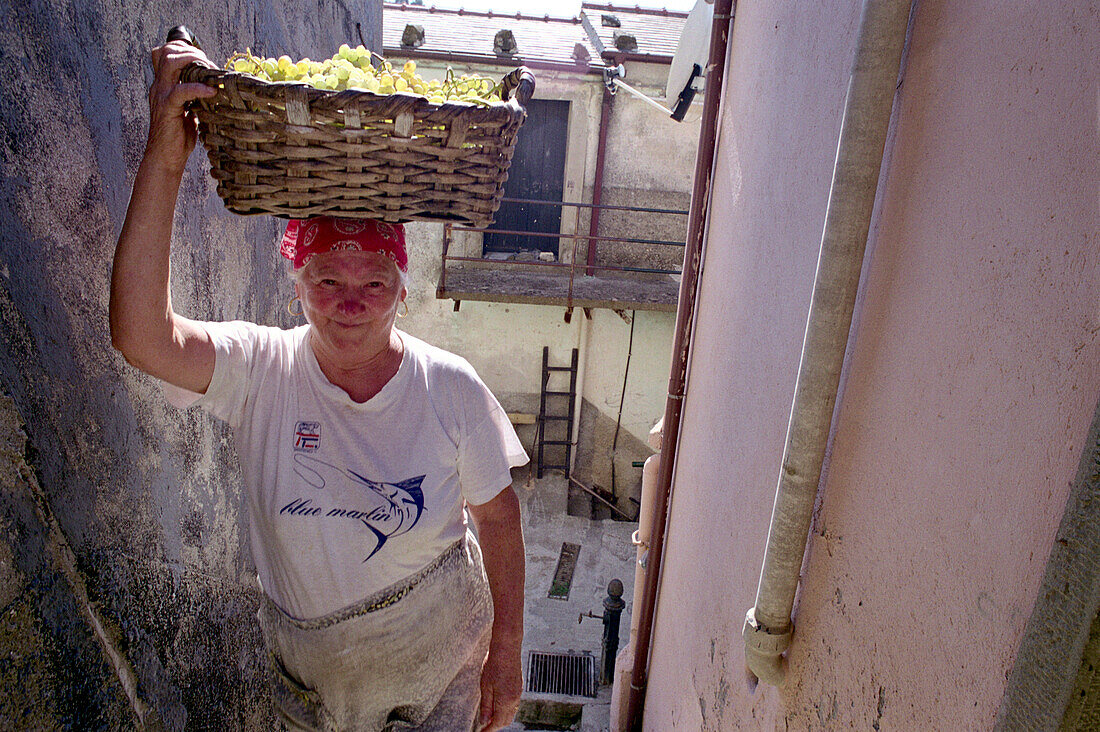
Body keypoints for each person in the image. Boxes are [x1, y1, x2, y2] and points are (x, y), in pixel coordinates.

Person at [109, 41, 528, 731]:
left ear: (401, 291)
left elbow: (499, 518)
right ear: (296, 284)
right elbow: (140, 336)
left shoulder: (450, 388)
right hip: (313, 685)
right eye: (328, 281)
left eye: (372, 284)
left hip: (439, 664)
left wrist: (506, 655)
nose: (350, 303)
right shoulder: (260, 369)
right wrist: (166, 159)